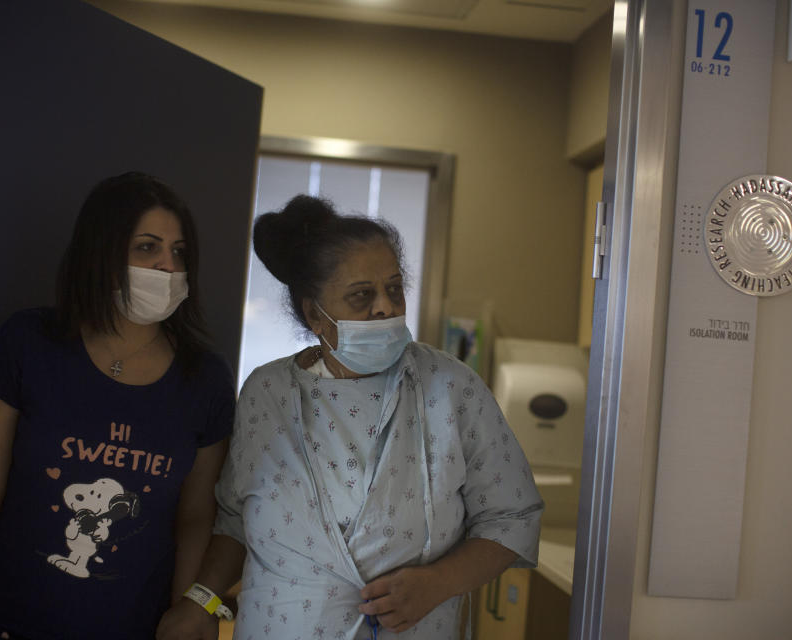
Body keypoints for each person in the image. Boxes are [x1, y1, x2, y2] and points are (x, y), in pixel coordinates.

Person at [157, 195, 543, 639]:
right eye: (362, 296)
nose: (385, 307)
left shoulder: (450, 387)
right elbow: (236, 521)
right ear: (313, 314)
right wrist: (200, 600)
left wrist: (440, 583)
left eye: (394, 288)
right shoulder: (268, 393)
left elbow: (513, 516)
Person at [0, 173, 235, 640]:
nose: (167, 266)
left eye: (179, 252)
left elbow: (196, 519)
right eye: (147, 247)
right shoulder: (29, 343)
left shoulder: (205, 380)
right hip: (5, 623)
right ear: (102, 250)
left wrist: (187, 615)